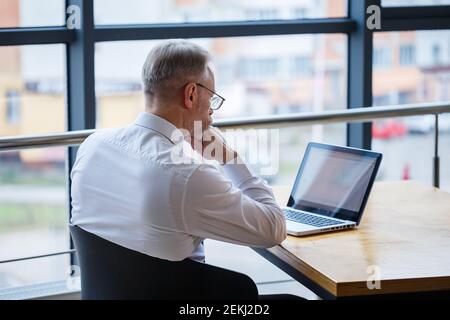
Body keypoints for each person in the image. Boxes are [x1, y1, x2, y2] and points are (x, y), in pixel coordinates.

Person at [70, 39, 286, 266]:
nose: (212, 110)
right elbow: (273, 228)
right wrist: (228, 157)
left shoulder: (92, 147)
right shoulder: (188, 177)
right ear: (191, 94)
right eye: (212, 97)